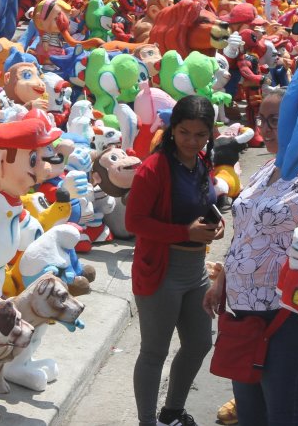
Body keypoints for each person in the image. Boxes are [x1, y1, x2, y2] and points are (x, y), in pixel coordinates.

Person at [205, 86, 298, 426]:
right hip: (245, 311)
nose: (265, 128)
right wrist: (222, 280)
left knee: (286, 417)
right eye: (262, 119)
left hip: (292, 315)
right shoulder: (268, 167)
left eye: (276, 120)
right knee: (251, 416)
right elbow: (245, 230)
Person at [127, 95, 225, 426]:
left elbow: (205, 201)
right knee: (154, 352)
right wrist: (185, 231)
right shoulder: (153, 168)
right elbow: (134, 222)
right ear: (172, 130)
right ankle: (147, 422)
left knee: (199, 343)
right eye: (184, 133)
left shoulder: (201, 163)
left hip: (196, 271)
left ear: (210, 134)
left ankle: (172, 411)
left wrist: (215, 223)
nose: (192, 141)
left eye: (200, 135)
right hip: (160, 272)